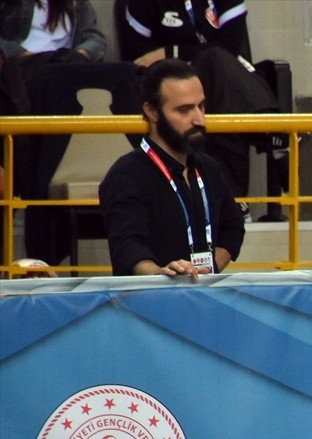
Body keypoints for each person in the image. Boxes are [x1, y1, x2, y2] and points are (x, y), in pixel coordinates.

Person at [0, 0, 139, 265]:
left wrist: (79, 56)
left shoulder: (76, 4)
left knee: (126, 74)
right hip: (22, 68)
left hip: (67, 69)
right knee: (45, 77)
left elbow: (94, 39)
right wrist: (22, 56)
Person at [120, 0, 277, 203]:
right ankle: (271, 130)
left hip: (222, 77)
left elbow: (230, 45)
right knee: (216, 71)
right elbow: (138, 55)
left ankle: (230, 201)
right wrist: (179, 58)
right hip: (171, 81)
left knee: (217, 70)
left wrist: (171, 51)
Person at [99, 58, 244, 277]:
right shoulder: (126, 175)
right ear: (152, 112)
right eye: (184, 110)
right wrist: (161, 274)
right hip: (150, 302)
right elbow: (128, 247)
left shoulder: (208, 167)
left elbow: (233, 227)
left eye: (201, 106)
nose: (199, 119)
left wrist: (208, 269)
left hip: (204, 297)